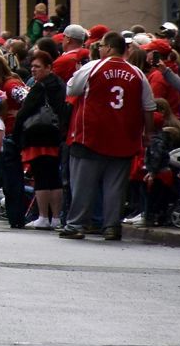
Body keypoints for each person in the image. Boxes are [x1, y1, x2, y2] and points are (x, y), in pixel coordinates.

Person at [59, 32, 155, 241]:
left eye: (101, 45)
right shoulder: (137, 73)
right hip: (124, 137)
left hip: (91, 135)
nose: (99, 49)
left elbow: (72, 88)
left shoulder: (92, 67)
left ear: (110, 48)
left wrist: (78, 75)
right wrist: (148, 134)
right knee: (115, 186)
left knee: (82, 183)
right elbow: (148, 106)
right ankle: (111, 226)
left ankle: (76, 224)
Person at [15, 49, 66, 230]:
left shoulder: (40, 87)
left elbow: (24, 112)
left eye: (37, 67)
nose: (33, 70)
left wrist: (16, 134)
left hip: (37, 136)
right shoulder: (60, 84)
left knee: (41, 177)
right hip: (54, 134)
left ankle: (43, 216)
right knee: (54, 176)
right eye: (32, 67)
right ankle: (57, 217)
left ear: (48, 67)